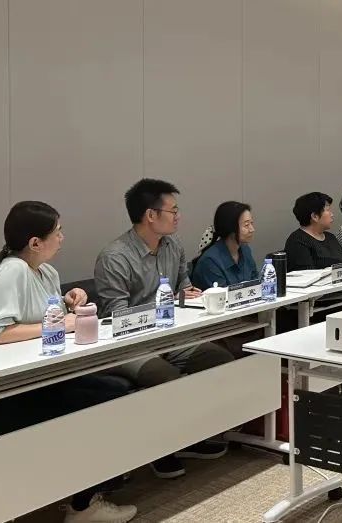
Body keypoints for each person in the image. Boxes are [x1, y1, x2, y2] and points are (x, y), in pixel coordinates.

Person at [0, 201, 137, 523]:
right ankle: (84, 506)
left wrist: (69, 303)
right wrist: (60, 324)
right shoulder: (11, 272)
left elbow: (47, 317)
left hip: (44, 377)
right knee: (103, 403)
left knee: (116, 392)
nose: (62, 238)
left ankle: (93, 488)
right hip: (10, 391)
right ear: (35, 242)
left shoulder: (46, 272)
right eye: (57, 232)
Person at [95, 178, 233, 478]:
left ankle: (195, 435)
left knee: (219, 359)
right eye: (173, 210)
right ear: (151, 215)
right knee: (165, 376)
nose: (178, 216)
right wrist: (166, 307)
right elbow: (117, 317)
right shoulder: (115, 257)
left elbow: (184, 288)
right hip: (128, 345)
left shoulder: (174, 246)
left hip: (171, 336)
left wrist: (188, 295)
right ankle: (161, 449)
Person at [190, 201, 259, 290]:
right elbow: (221, 295)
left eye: (251, 223)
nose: (252, 229)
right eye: (246, 225)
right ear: (230, 228)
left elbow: (255, 283)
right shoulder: (210, 261)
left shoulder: (245, 250)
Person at [285, 192, 342, 271]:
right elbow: (305, 274)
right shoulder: (297, 241)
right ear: (315, 216)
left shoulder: (331, 237)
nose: (332, 215)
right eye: (328, 210)